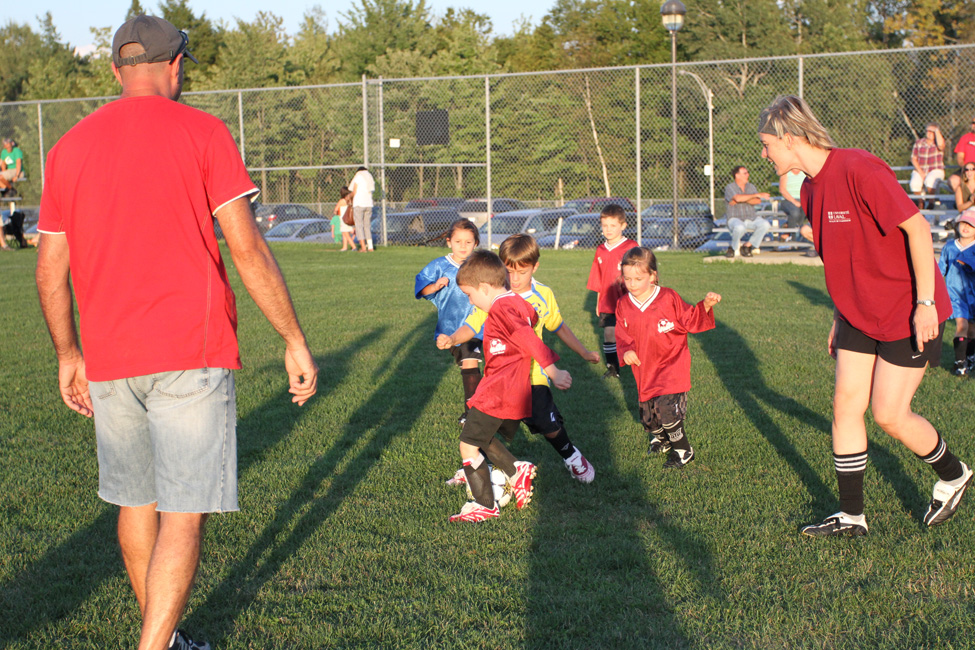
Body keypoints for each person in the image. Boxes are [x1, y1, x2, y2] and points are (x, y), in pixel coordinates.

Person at [33, 16, 318, 650]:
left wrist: (67, 354)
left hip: (109, 357)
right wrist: (293, 339)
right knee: (183, 513)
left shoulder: (69, 146)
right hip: (191, 349)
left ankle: (165, 638)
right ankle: (154, 646)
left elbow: (50, 271)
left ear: (115, 70)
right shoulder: (204, 131)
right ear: (176, 65)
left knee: (137, 506)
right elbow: (246, 249)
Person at [758, 94, 971, 537]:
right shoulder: (812, 189)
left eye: (767, 144)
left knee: (889, 415)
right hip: (857, 314)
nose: (764, 153)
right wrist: (840, 315)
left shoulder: (858, 168)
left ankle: (954, 474)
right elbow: (838, 257)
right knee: (844, 407)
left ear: (790, 137)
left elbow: (916, 228)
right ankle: (852, 516)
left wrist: (926, 304)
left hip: (907, 310)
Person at [439, 234, 599, 484]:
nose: (513, 278)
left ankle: (571, 456)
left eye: (521, 272)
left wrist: (584, 352)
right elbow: (472, 324)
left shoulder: (543, 295)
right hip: (502, 377)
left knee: (546, 422)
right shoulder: (493, 295)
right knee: (480, 421)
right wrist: (453, 338)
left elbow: (558, 326)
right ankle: (475, 464)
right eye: (508, 270)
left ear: (534, 267)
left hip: (534, 373)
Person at [448, 250, 572, 522]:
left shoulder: (503, 308)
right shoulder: (515, 302)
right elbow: (530, 322)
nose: (471, 301)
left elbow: (527, 337)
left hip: (499, 388)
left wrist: (552, 368)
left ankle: (485, 504)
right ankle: (517, 472)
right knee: (482, 437)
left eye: (470, 295)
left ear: (484, 287)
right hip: (513, 388)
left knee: (468, 444)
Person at [615, 247, 720, 470]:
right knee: (649, 417)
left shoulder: (668, 297)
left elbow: (690, 319)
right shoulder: (623, 304)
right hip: (645, 368)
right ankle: (661, 440)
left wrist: (706, 305)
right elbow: (621, 333)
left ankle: (683, 450)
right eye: (627, 278)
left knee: (667, 410)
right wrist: (626, 350)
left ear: (653, 276)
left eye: (638, 278)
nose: (632, 284)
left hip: (672, 365)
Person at [415, 219, 483, 425]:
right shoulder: (440, 266)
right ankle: (472, 412)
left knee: (477, 364)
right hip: (454, 330)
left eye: (468, 242)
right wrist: (434, 287)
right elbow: (421, 288)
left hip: (483, 327)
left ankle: (477, 412)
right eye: (458, 241)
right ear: (448, 242)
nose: (463, 246)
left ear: (476, 244)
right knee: (469, 363)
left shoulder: (480, 265)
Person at [586, 204, 638, 378]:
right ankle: (613, 368)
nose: (608, 229)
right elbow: (598, 278)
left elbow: (641, 272)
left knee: (633, 333)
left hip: (629, 300)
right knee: (609, 334)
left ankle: (641, 362)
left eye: (613, 225)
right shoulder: (600, 250)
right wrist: (598, 301)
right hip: (608, 302)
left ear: (623, 226)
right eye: (605, 225)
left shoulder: (631, 247)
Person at [939, 209, 975, 375]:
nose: (966, 227)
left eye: (971, 224)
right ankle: (959, 363)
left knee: (972, 329)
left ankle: (970, 357)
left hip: (973, 296)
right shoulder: (949, 247)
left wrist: (969, 265)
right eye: (964, 222)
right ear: (957, 224)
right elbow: (941, 270)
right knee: (962, 325)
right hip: (955, 295)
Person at [723, 166, 771, 258]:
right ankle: (733, 248)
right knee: (739, 227)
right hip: (734, 218)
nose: (747, 175)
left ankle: (747, 246)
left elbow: (757, 201)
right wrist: (755, 195)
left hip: (750, 217)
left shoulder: (751, 186)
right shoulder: (730, 187)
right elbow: (737, 198)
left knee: (765, 224)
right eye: (745, 173)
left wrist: (741, 199)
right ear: (737, 175)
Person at [910, 123, 945, 209]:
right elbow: (913, 158)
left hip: (935, 169)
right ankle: (921, 202)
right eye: (928, 131)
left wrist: (936, 130)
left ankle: (931, 201)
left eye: (932, 131)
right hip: (921, 169)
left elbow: (941, 146)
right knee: (914, 183)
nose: (929, 133)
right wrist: (920, 171)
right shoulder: (919, 143)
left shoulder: (938, 142)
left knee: (930, 180)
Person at [348, 166, 375, 252]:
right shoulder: (370, 176)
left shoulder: (358, 176)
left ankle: (363, 247)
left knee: (359, 225)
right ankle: (370, 247)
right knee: (367, 226)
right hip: (369, 204)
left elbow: (354, 191)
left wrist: (349, 197)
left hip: (359, 203)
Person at [949, 117, 975, 192]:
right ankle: (964, 201)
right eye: (973, 123)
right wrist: (966, 169)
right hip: (967, 170)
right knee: (953, 181)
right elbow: (960, 157)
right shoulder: (965, 138)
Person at [333, 186, 355, 251]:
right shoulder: (351, 200)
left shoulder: (342, 201)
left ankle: (353, 246)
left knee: (346, 233)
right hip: (349, 218)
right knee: (344, 233)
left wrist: (336, 213)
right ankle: (344, 247)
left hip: (343, 219)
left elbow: (336, 210)